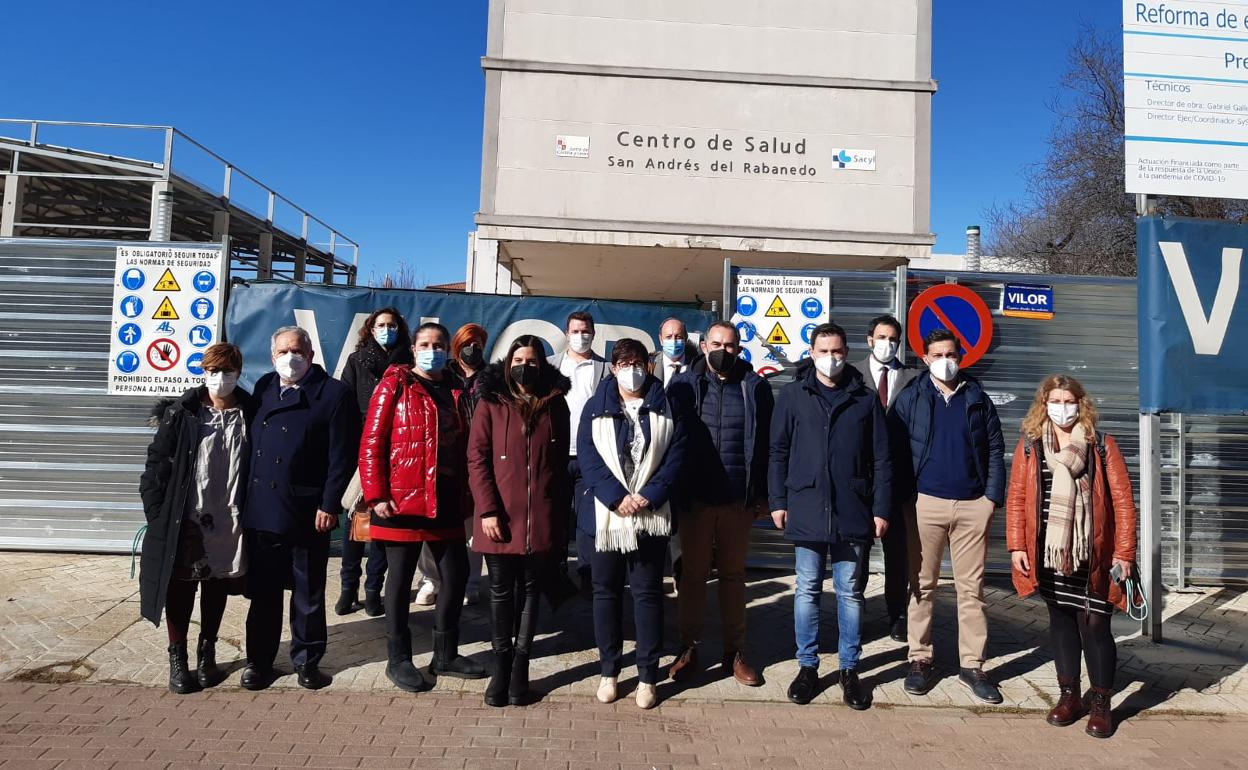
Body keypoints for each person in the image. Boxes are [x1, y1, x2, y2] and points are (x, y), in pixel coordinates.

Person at [359, 322, 488, 692]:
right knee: (398, 581)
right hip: (401, 499)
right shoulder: (395, 384)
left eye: (438, 344)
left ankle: (445, 655)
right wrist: (376, 494)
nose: (432, 349)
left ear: (448, 349)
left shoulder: (456, 389)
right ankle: (398, 659)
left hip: (446, 498)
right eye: (425, 344)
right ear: (414, 350)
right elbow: (372, 442)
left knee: (457, 574)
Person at [1006, 375, 1137, 738]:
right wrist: (1017, 546)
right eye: (1054, 401)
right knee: (1062, 621)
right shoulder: (1032, 445)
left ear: (1081, 404)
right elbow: (1017, 497)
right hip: (1050, 552)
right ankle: (1069, 696)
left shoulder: (1101, 445)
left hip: (1093, 552)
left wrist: (1124, 552)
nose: (1062, 407)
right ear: (1043, 404)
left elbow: (1124, 502)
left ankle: (1101, 703)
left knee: (1096, 625)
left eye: (1068, 400)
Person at [768, 323, 891, 709]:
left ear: (846, 351)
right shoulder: (793, 395)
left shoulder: (865, 399)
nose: (831, 358)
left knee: (850, 593)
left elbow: (882, 459)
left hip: (852, 509)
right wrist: (776, 500)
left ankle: (849, 670)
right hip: (805, 505)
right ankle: (807, 667)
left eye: (837, 351)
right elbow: (777, 452)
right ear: (812, 351)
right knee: (806, 589)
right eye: (823, 351)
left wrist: (881, 508)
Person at [891, 328, 1006, 704]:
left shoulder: (977, 397)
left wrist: (990, 498)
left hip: (972, 505)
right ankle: (920, 659)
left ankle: (972, 666)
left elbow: (994, 448)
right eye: (938, 355)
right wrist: (905, 498)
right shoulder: (911, 398)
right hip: (925, 504)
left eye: (952, 354)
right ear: (925, 359)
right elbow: (893, 449)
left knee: (971, 590)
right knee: (921, 586)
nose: (946, 361)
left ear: (961, 356)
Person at [241, 326, 359, 691]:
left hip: (308, 510)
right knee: (264, 592)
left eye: (296, 350)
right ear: (272, 355)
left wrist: (330, 504)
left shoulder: (334, 394)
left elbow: (341, 457)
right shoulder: (263, 387)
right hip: (263, 509)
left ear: (310, 355)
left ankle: (307, 661)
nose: (289, 358)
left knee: (308, 593)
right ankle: (259, 662)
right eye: (281, 351)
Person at [139, 343, 256, 694]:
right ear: (203, 372)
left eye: (228, 371)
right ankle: (178, 660)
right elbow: (156, 467)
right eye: (213, 370)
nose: (220, 378)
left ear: (238, 372)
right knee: (181, 587)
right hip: (187, 517)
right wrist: (159, 515)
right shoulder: (184, 413)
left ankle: (208, 654)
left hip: (229, 515)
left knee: (216, 584)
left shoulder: (250, 412)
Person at [579, 339, 686, 709]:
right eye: (624, 363)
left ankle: (646, 677)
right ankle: (609, 670)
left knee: (647, 595)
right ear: (612, 368)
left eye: (638, 362)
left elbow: (676, 456)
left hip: (649, 515)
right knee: (605, 593)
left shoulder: (667, 404)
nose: (632, 369)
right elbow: (588, 458)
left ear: (649, 365)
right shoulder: (596, 406)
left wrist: (649, 495)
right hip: (609, 517)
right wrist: (616, 497)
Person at [666, 320, 772, 687]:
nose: (722, 351)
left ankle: (735, 652)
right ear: (703, 343)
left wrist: (763, 494)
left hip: (736, 501)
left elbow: (767, 445)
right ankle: (687, 648)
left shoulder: (755, 387)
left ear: (739, 349)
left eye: (730, 346)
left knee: (733, 577)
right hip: (694, 499)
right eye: (716, 344)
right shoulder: (682, 385)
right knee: (692, 577)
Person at [467, 335, 572, 707]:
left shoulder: (556, 404)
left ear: (541, 365)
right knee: (500, 593)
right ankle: (501, 669)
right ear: (508, 363)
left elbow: (560, 466)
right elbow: (477, 459)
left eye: (532, 360)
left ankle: (520, 672)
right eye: (518, 359)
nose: (524, 366)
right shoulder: (490, 402)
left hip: (539, 518)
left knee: (530, 592)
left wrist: (557, 514)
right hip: (499, 518)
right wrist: (488, 509)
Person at [336, 307, 412, 617]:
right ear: (371, 328)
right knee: (355, 521)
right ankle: (347, 588)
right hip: (361, 450)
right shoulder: (357, 361)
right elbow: (344, 403)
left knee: (383, 523)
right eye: (381, 325)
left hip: (396, 451)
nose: (386, 329)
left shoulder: (409, 362)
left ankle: (373, 590)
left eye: (392, 325)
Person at [854, 314, 920, 643]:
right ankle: (855, 615)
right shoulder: (852, 375)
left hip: (899, 482)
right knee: (857, 554)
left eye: (893, 338)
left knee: (898, 556)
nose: (887, 344)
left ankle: (897, 615)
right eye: (882, 337)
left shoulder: (913, 377)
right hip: (861, 481)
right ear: (870, 339)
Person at [416, 323, 491, 607]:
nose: (472, 349)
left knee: (472, 528)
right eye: (467, 344)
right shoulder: (441, 376)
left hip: (477, 461)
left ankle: (470, 581)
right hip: (443, 458)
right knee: (431, 526)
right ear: (455, 347)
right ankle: (430, 580)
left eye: (478, 344)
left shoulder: (492, 379)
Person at [550, 311, 609, 594]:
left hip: (591, 457)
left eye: (585, 331)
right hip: (556, 454)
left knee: (588, 521)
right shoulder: (551, 367)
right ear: (566, 333)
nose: (580, 336)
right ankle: (557, 574)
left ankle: (587, 575)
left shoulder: (606, 369)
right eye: (575, 331)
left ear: (594, 334)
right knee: (556, 517)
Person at [648, 317, 697, 386]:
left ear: (685, 338)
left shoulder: (697, 366)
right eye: (668, 337)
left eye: (678, 337)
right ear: (661, 340)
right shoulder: (648, 365)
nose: (673, 341)